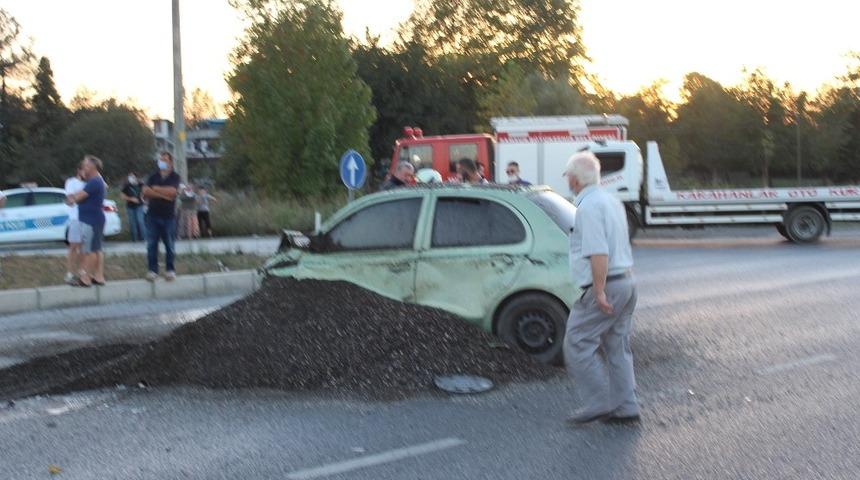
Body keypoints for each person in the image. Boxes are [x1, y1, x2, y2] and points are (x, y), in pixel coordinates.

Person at [562, 150, 639, 426]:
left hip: (609, 284)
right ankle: (625, 406)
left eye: (567, 175)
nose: (566, 180)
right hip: (627, 280)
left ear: (575, 179)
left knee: (577, 342)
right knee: (617, 345)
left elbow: (598, 253)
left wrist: (598, 291)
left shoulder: (588, 207)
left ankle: (599, 401)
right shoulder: (611, 201)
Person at [67, 155, 107, 287]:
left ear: (92, 167)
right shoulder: (95, 181)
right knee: (96, 249)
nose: (83, 167)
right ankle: (98, 277)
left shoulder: (94, 182)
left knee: (89, 251)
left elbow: (76, 198)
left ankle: (86, 278)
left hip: (91, 220)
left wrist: (72, 198)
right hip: (93, 219)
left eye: (85, 165)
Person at [143, 152, 181, 282]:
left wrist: (156, 189)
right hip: (152, 215)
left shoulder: (175, 177)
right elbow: (146, 191)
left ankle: (170, 270)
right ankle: (152, 270)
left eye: (164, 159)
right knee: (151, 244)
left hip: (168, 216)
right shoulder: (152, 176)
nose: (161, 161)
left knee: (169, 245)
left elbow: (173, 192)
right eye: (160, 159)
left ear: (170, 162)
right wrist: (164, 195)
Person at [63, 166, 86, 285]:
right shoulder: (71, 182)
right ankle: (70, 273)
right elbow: (70, 199)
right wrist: (82, 196)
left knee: (84, 247)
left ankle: (82, 272)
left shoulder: (91, 182)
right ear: (79, 170)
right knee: (73, 246)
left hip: (88, 218)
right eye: (84, 169)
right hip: (76, 218)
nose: (86, 172)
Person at [121, 172, 147, 242]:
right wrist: (131, 199)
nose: (131, 178)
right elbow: (122, 196)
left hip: (139, 206)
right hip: (130, 207)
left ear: (136, 177)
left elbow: (145, 191)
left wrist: (142, 196)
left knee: (140, 221)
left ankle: (143, 238)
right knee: (132, 223)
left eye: (132, 176)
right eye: (129, 177)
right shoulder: (127, 186)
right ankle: (134, 239)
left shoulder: (141, 184)